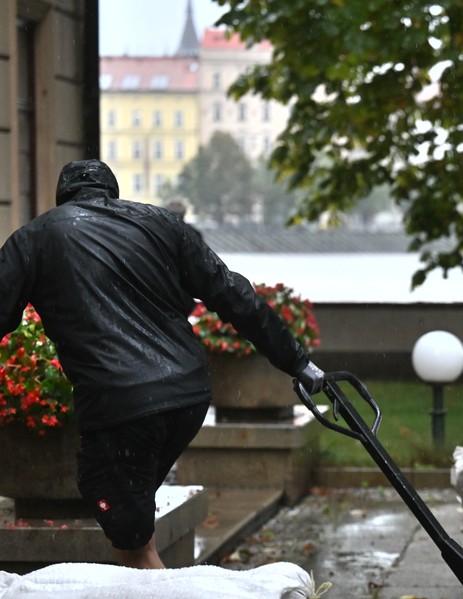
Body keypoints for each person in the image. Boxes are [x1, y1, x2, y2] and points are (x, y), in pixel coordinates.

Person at [0, 159, 324, 570]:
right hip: (187, 395)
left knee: (133, 542)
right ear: (111, 193)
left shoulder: (34, 238)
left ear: (62, 197)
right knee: (128, 511)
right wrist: (298, 362)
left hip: (123, 405)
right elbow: (233, 295)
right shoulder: (159, 223)